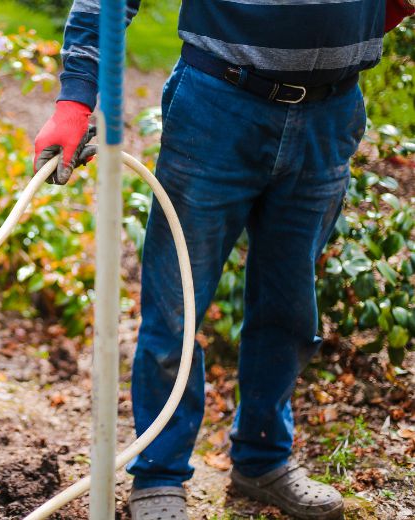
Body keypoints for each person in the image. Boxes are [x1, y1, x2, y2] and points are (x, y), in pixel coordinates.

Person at [33, 1, 414, 519]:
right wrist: (75, 102)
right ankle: (160, 476)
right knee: (176, 306)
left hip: (331, 113)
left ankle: (263, 460)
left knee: (290, 308)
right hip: (218, 107)